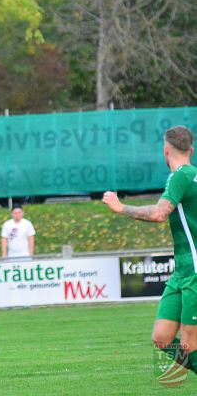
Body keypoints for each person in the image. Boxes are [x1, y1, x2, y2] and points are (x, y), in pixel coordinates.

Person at [103, 125, 197, 383]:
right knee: (162, 337)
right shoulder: (187, 177)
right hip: (182, 272)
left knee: (189, 344)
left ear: (165, 150)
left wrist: (121, 207)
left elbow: (158, 213)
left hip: (195, 274)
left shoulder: (182, 175)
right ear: (191, 149)